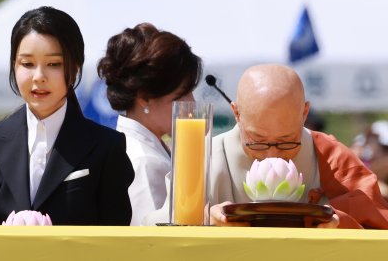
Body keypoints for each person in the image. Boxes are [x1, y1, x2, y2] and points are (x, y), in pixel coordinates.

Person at [0, 6, 134, 225]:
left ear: (76, 67)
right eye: (27, 64)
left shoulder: (107, 146)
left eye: (54, 64)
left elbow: (115, 238)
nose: (39, 77)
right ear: (13, 65)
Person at [208, 64, 388, 229]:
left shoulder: (330, 155)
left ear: (305, 113)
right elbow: (181, 220)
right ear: (237, 113)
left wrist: (339, 222)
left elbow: (378, 223)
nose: (273, 155)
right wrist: (207, 216)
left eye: (286, 140)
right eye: (258, 140)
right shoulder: (206, 157)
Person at [96, 23, 202, 225]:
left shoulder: (137, 146)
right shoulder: (144, 162)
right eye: (181, 96)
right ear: (144, 98)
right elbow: (153, 245)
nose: (191, 104)